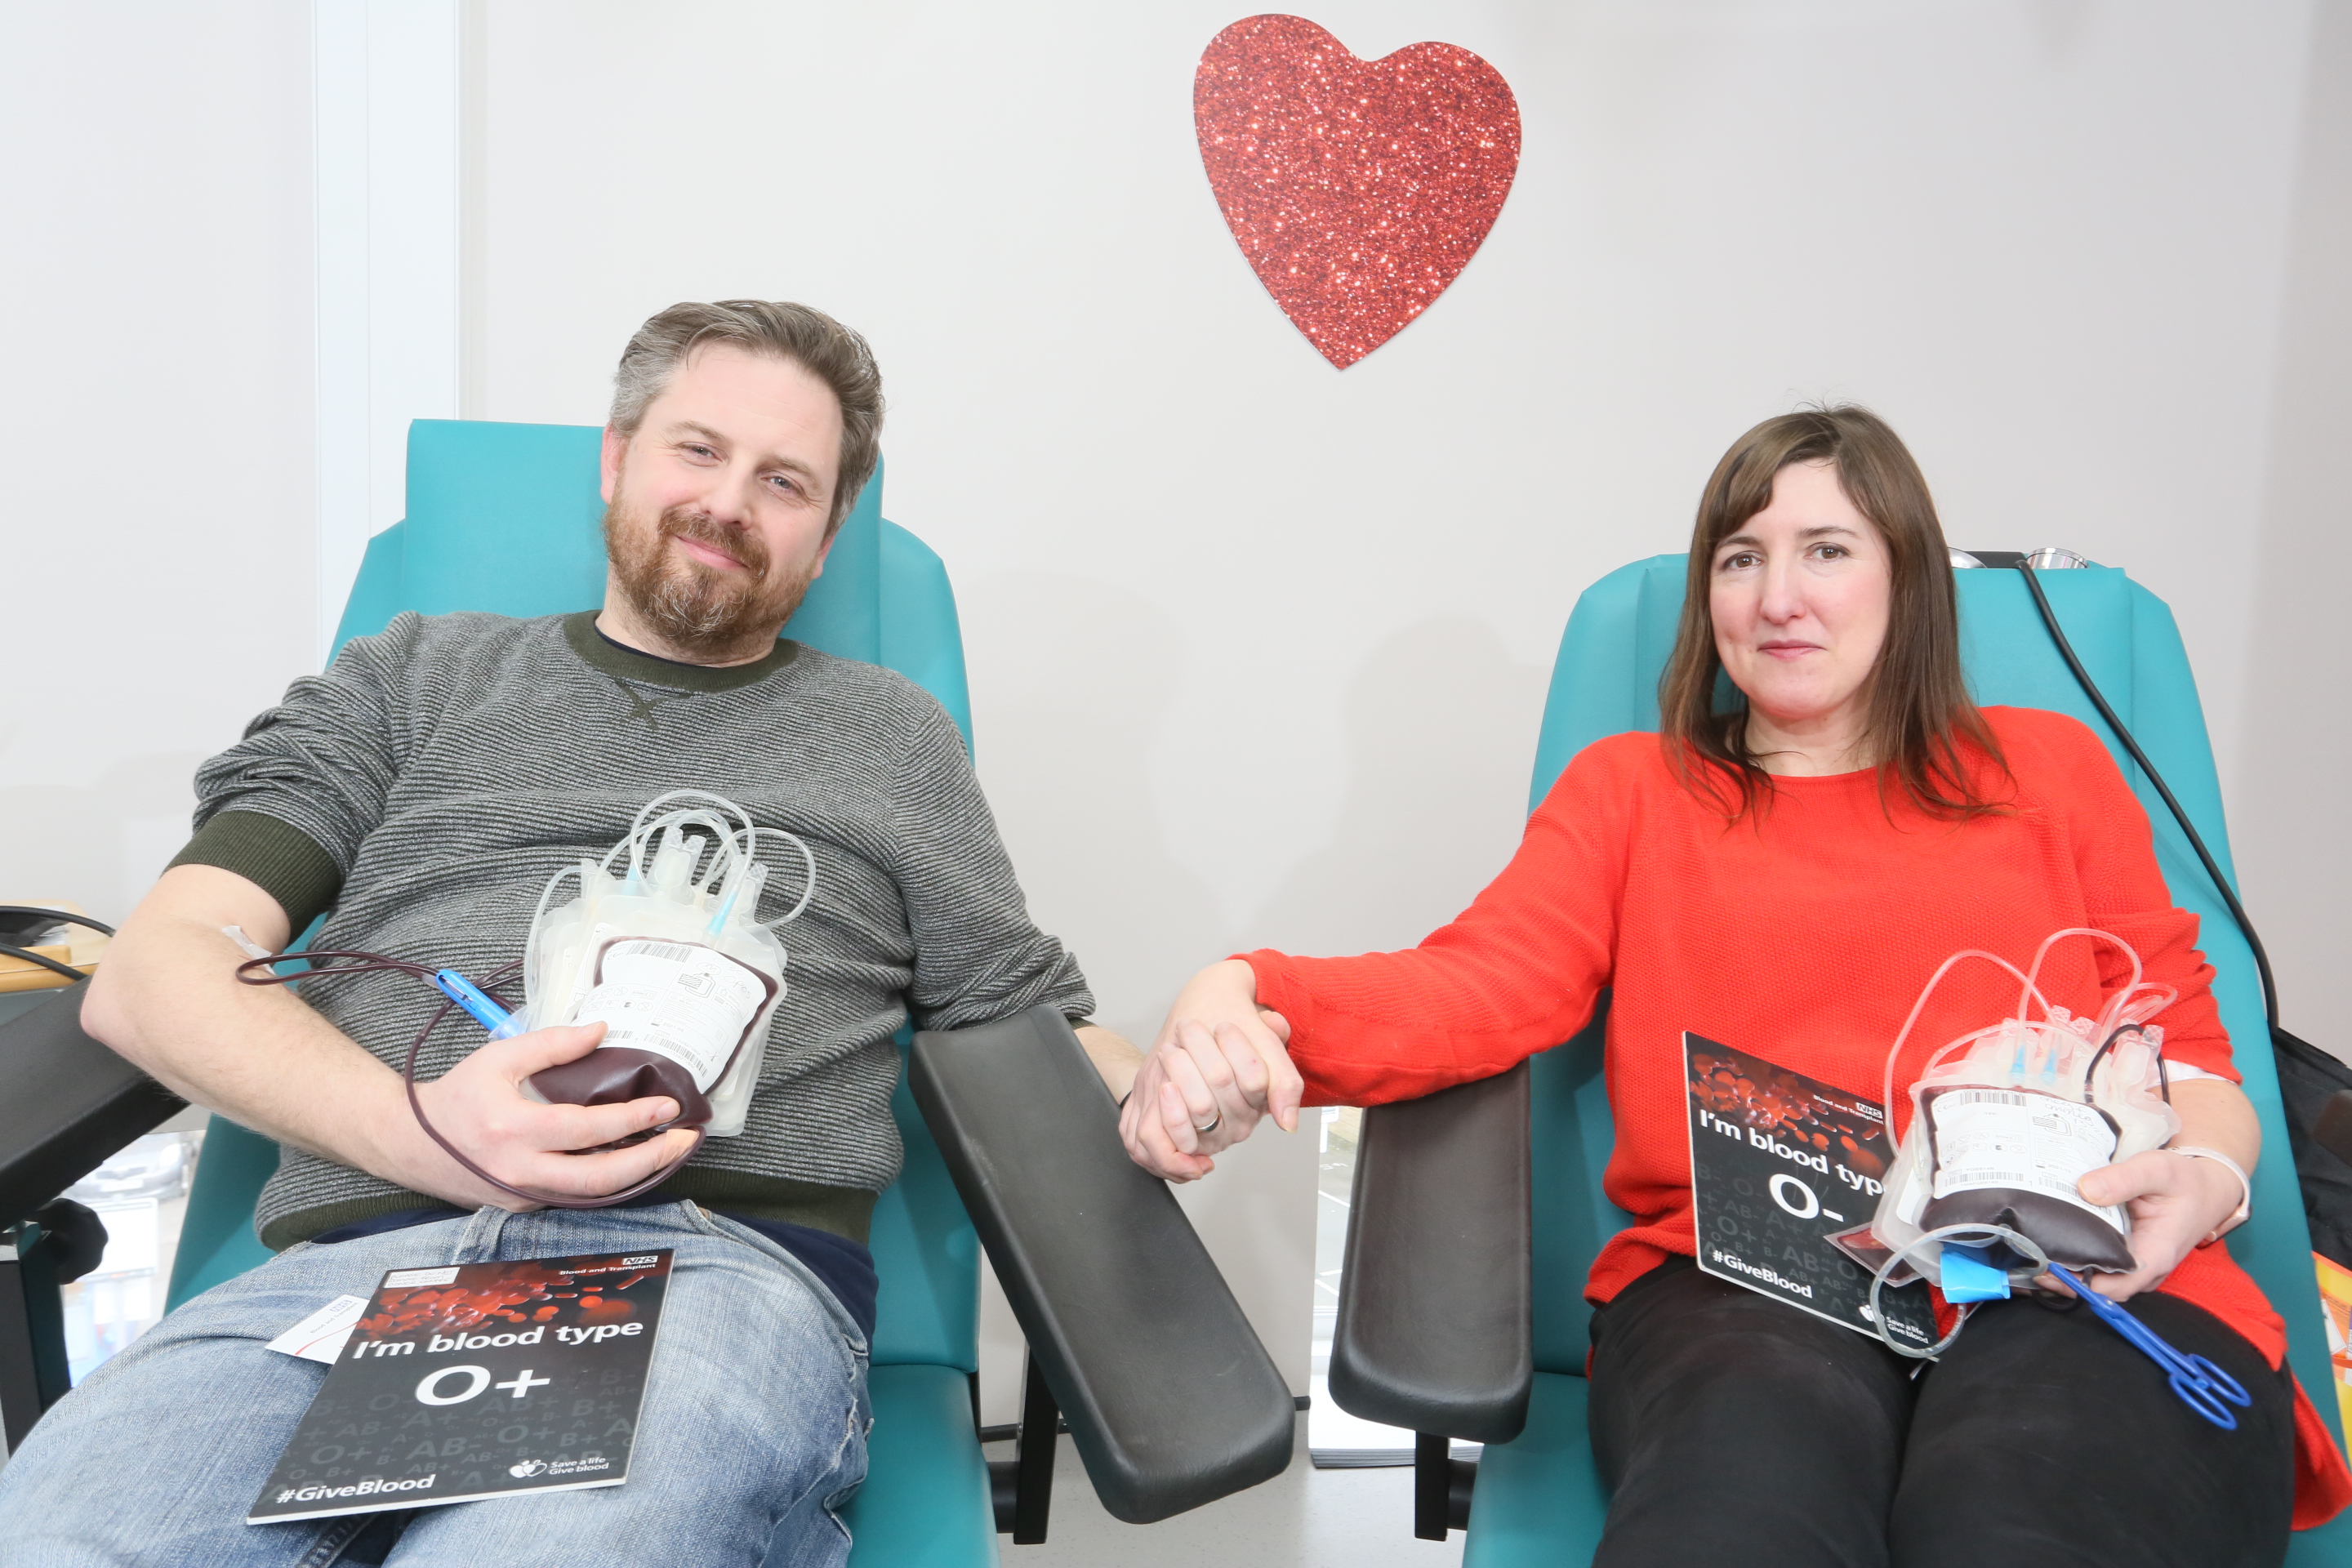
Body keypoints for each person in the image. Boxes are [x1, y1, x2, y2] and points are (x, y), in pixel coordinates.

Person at [0, 300, 1140, 1566]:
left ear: (824, 542)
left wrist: (1175, 1082)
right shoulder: (412, 676)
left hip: (706, 1275)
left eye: (784, 482)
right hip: (355, 1281)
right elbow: (158, 971)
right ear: (617, 458)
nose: (727, 502)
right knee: (68, 1540)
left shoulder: (890, 739)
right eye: (696, 449)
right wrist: (430, 1130)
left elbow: (1025, 1027)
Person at [1120, 407, 2352, 1566]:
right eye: (1740, 558)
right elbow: (1477, 986)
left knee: (2016, 1518)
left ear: (1908, 579)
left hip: (2064, 1267)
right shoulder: (1636, 794)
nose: (1777, 598)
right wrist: (1247, 991)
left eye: (1827, 550)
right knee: (1742, 1518)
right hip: (1748, 1281)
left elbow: (2192, 1057)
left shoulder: (2051, 770)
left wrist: (2208, 1174)